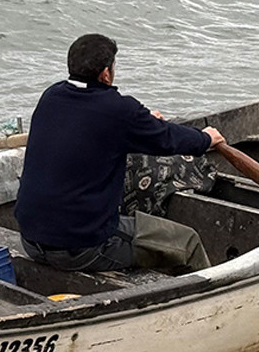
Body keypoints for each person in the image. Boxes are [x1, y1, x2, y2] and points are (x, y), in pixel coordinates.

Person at [14, 33, 225, 274]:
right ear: (106, 73)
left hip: (31, 240)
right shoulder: (119, 111)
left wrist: (143, 124)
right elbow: (168, 139)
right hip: (82, 249)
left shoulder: (51, 96)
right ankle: (201, 301)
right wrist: (206, 138)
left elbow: (96, 129)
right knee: (187, 242)